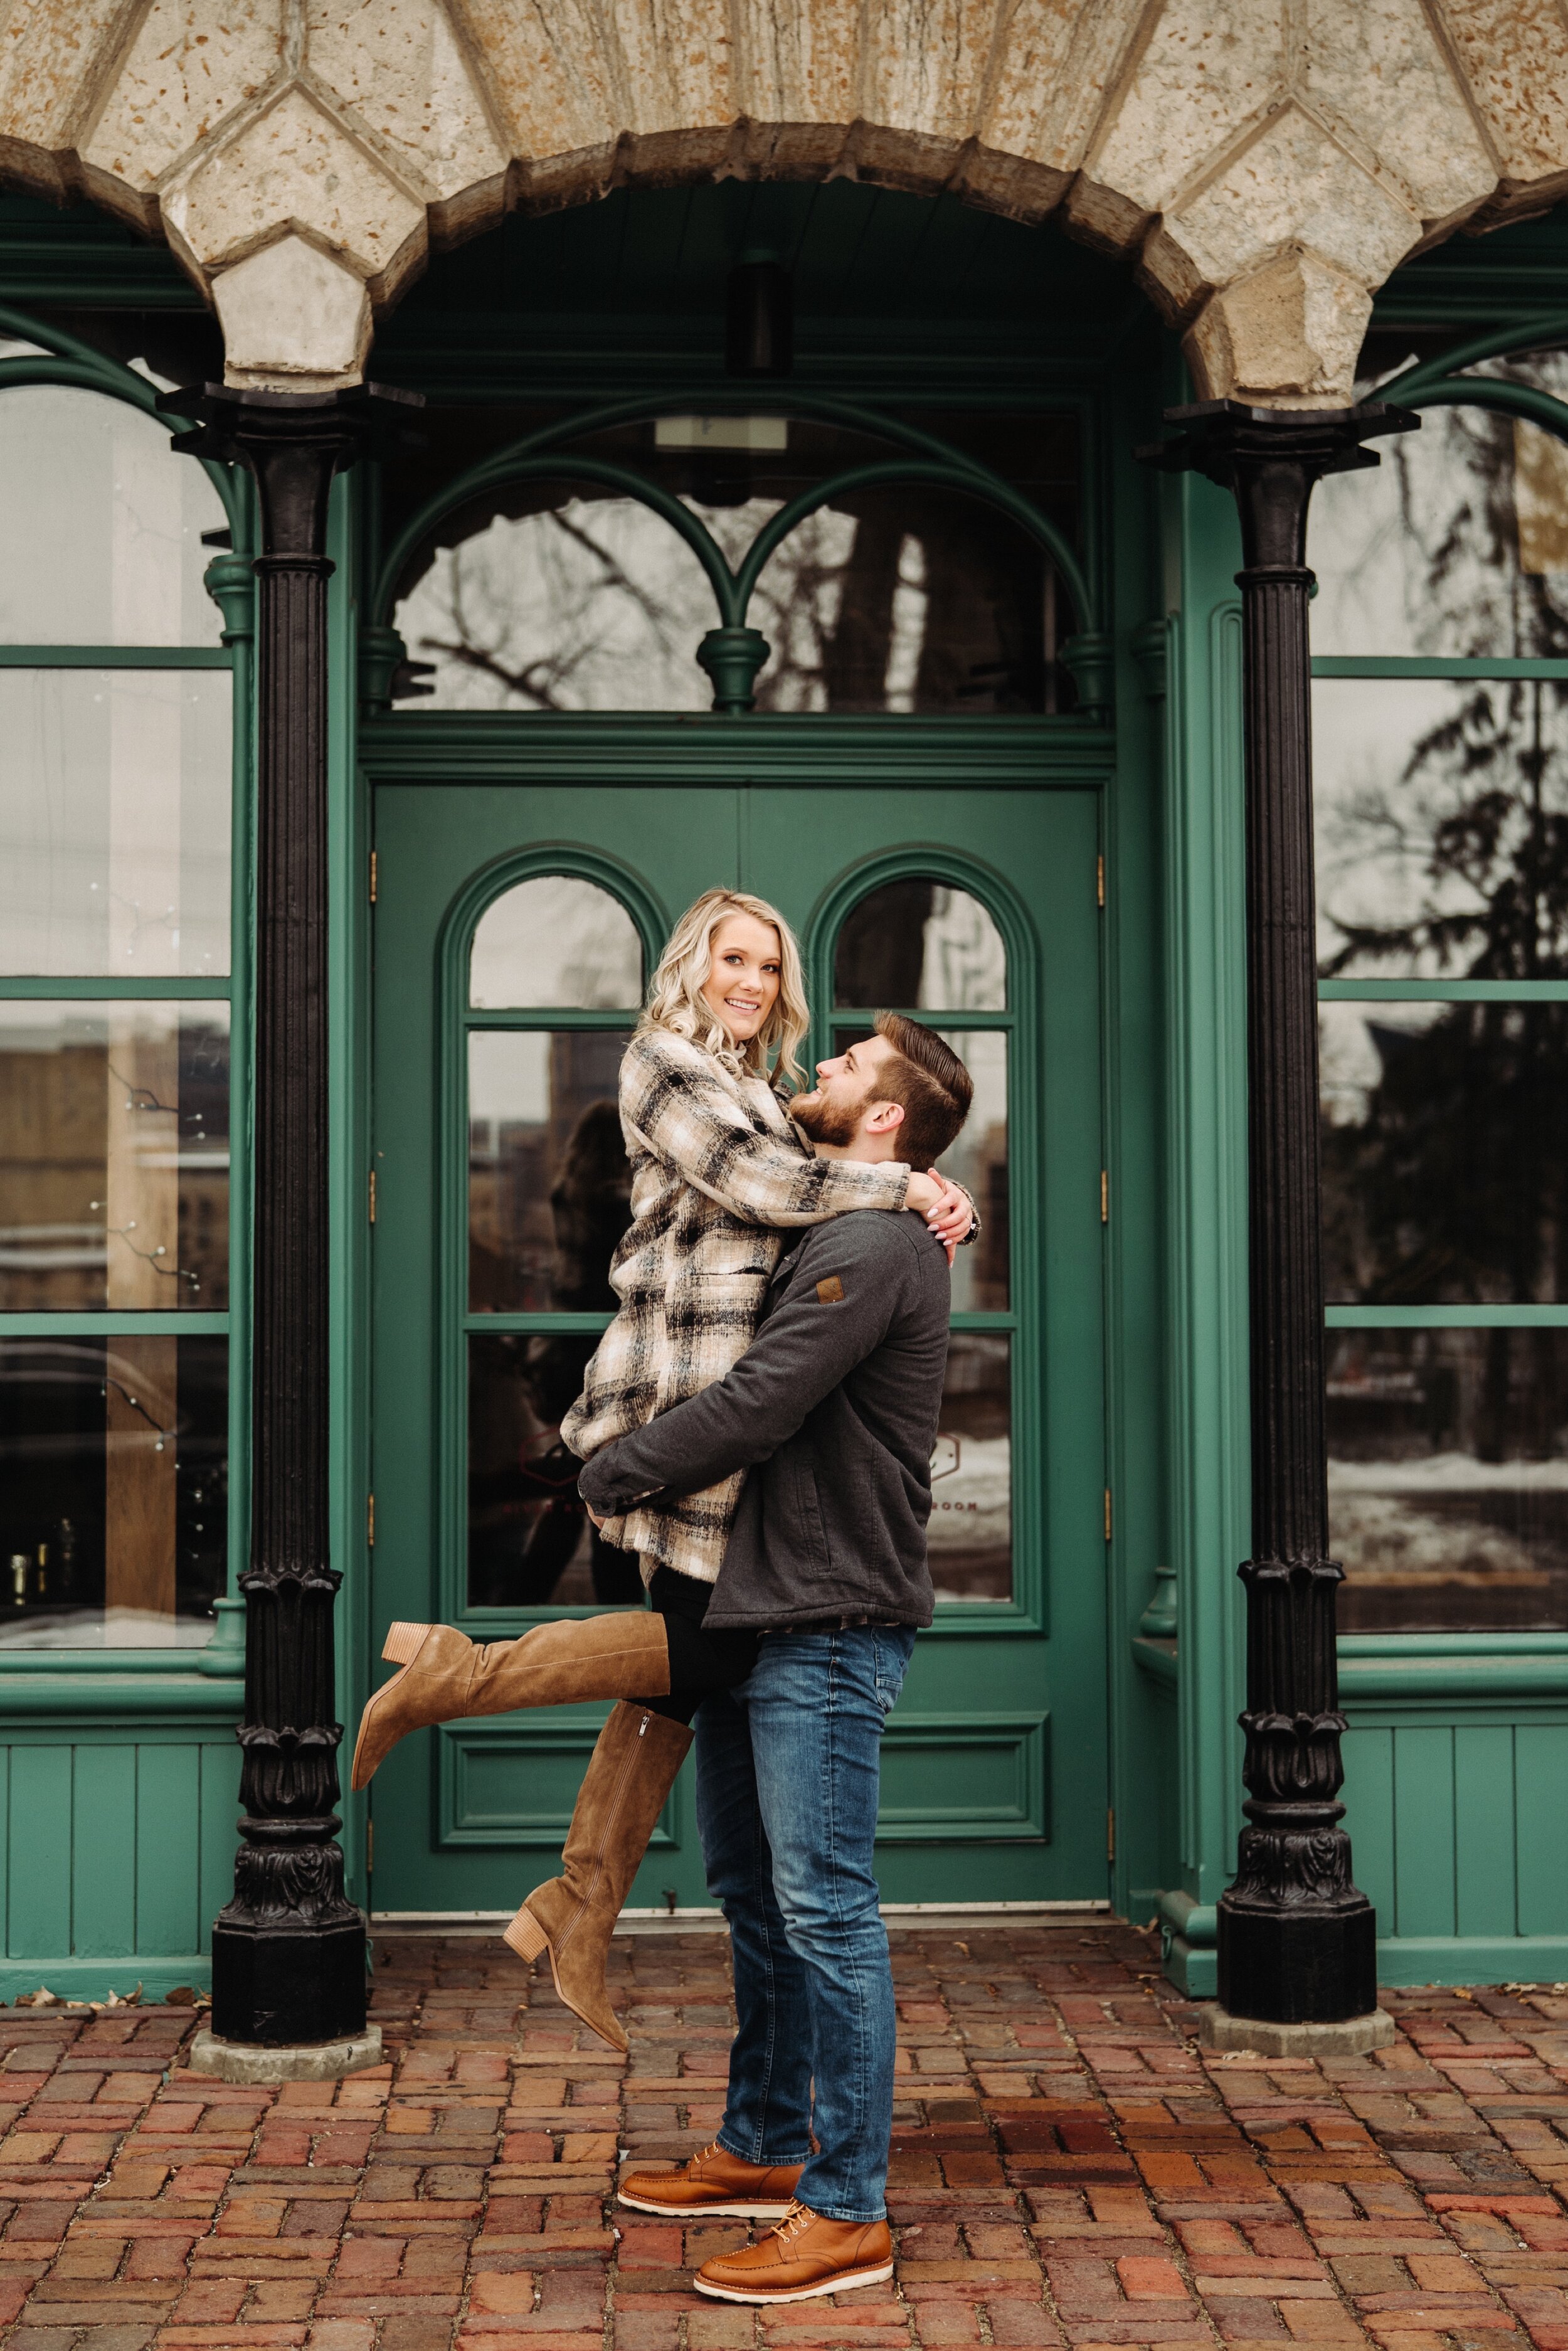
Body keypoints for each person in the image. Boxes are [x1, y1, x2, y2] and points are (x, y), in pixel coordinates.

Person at [349, 891, 973, 2037]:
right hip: (680, 1389)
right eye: (734, 957)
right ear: (693, 962)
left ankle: (581, 1902)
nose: (755, 982)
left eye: (770, 966)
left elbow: (839, 1164)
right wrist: (916, 1184)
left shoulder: (758, 1091)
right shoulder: (665, 1065)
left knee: (690, 1665)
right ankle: (461, 1679)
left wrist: (926, 1177)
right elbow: (773, 1193)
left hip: (723, 1411)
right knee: (696, 1645)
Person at [582, 1015, 973, 2305]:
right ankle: (763, 2139)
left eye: (848, 1063)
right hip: (760, 1615)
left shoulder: (870, 1243)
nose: (820, 1072)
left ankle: (846, 2206)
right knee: (755, 1895)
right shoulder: (834, 1216)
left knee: (824, 1908)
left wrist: (613, 1468)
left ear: (884, 1113)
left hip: (828, 1618)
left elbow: (761, 1398)